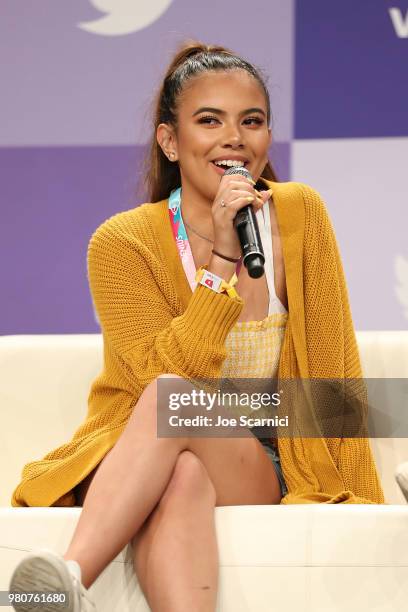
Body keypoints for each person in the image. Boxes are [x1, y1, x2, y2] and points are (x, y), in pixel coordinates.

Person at [9, 41, 385, 612]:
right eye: (209, 120)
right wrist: (218, 269)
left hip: (261, 460)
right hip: (137, 452)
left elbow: (331, 380)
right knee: (179, 462)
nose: (234, 138)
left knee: (175, 404)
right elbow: (147, 387)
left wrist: (357, 496)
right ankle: (62, 592)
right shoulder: (123, 242)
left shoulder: (301, 213)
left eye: (251, 121)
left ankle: (63, 581)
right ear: (169, 140)